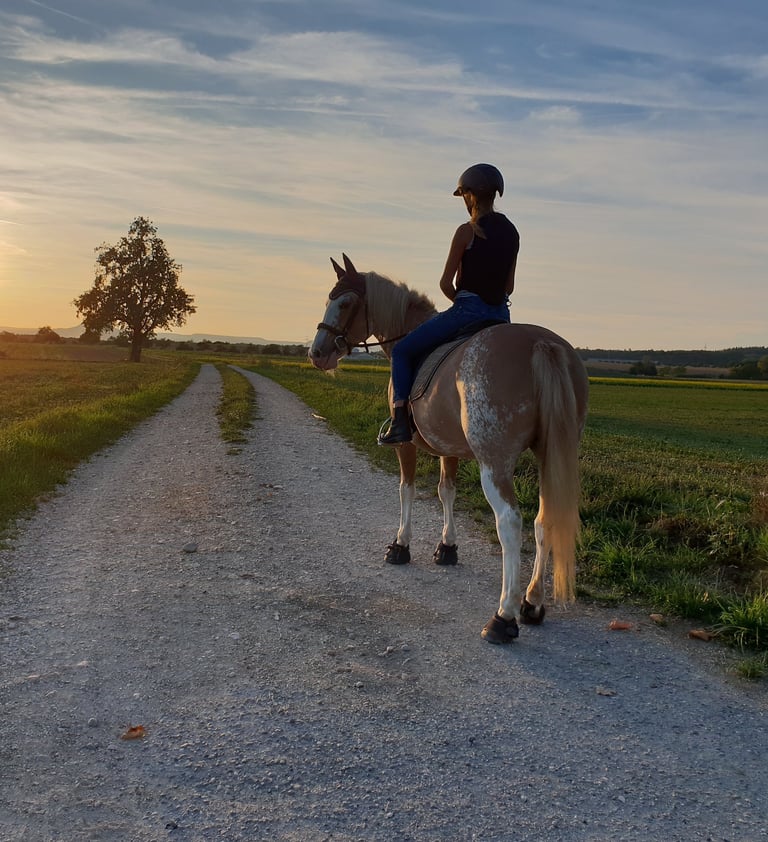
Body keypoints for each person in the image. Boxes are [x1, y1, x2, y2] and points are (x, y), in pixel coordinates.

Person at [378, 163, 520, 445]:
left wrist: (463, 302)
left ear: (469, 195)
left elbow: (445, 283)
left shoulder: (467, 231)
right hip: (501, 317)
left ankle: (400, 422)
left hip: (467, 311)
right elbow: (509, 287)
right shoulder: (513, 233)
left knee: (403, 352)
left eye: (464, 195)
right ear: (495, 194)